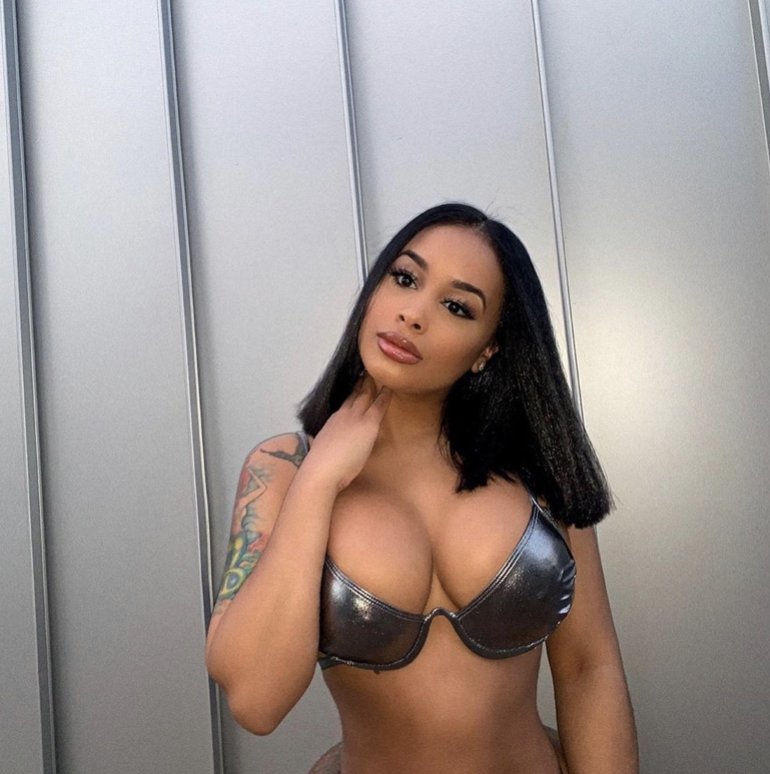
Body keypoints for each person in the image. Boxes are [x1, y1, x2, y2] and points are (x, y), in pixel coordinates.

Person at [205, 203, 638, 773]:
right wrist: (319, 480)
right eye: (405, 278)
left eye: (457, 306)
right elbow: (256, 701)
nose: (413, 314)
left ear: (489, 348)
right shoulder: (284, 468)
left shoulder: (537, 472)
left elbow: (588, 668)